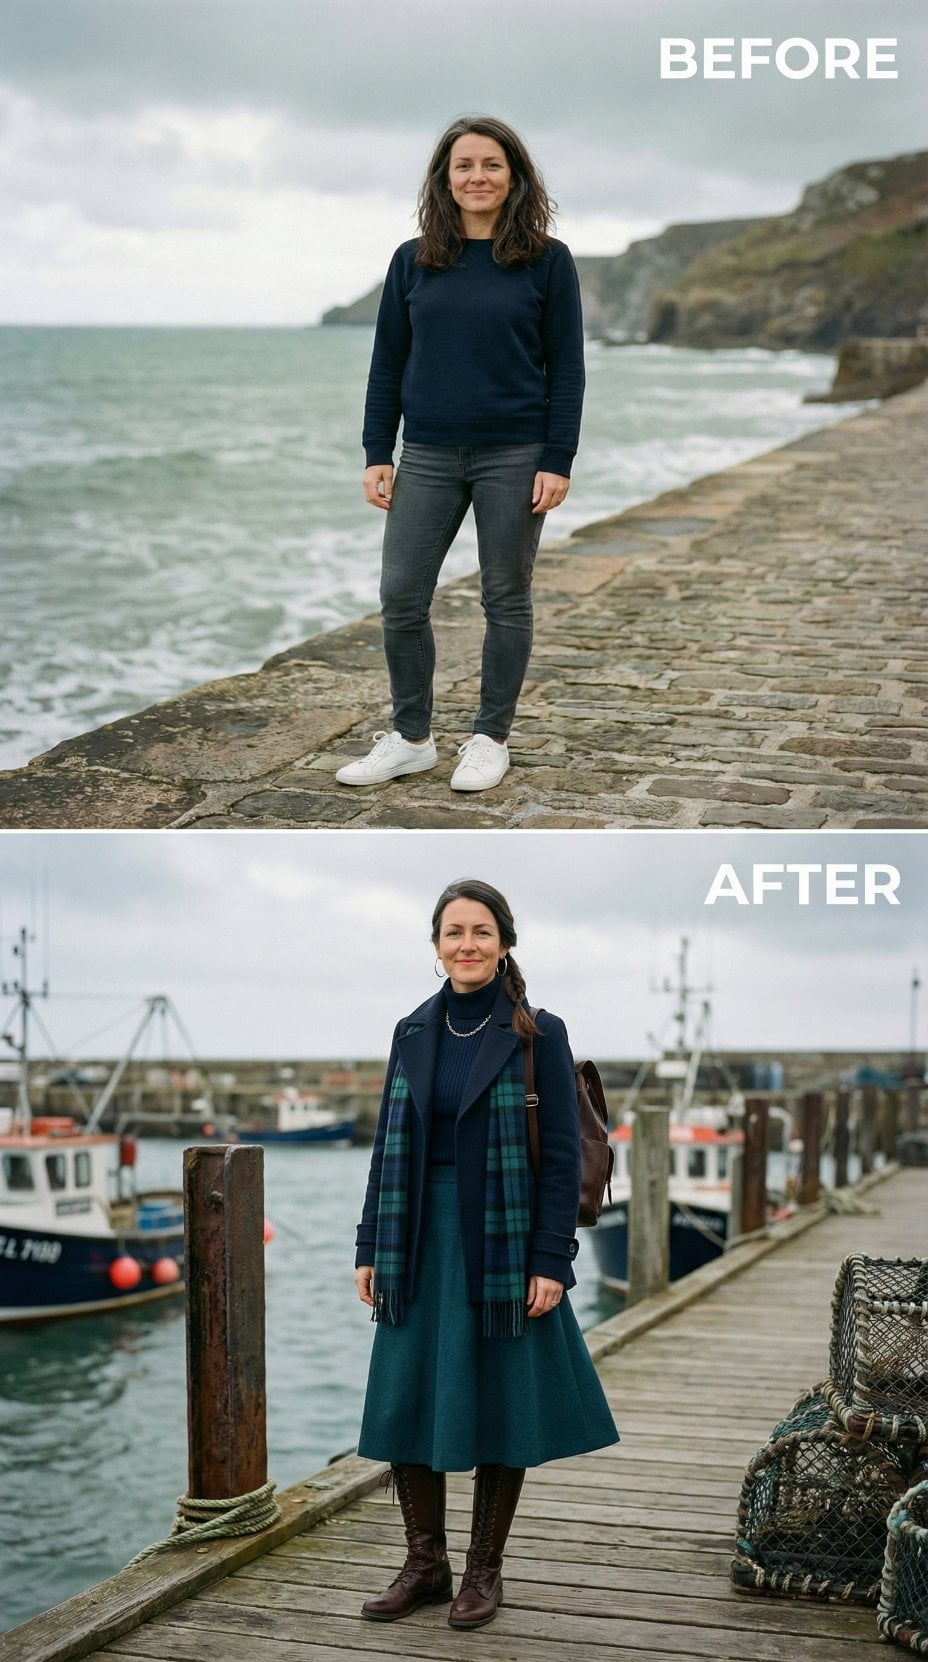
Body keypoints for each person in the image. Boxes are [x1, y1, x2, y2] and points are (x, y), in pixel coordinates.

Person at [353, 879, 618, 1630]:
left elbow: (563, 1156)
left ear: (504, 941)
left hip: (502, 1238)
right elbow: (385, 1148)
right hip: (414, 1239)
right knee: (407, 1397)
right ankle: (424, 1564)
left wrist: (551, 1259)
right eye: (451, 932)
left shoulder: (540, 1030)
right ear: (435, 946)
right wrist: (369, 1245)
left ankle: (481, 1572)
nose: (465, 944)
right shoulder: (410, 1030)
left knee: (503, 1401)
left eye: (480, 931)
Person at [335, 115, 585, 794]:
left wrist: (556, 458)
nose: (477, 177)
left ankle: (489, 736)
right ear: (445, 180)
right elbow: (387, 363)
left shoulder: (547, 260)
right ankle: (412, 737)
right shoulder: (413, 259)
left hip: (516, 452)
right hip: (428, 454)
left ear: (514, 177)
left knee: (505, 596)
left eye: (492, 165)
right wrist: (376, 450)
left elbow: (567, 368)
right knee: (400, 596)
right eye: (464, 166)